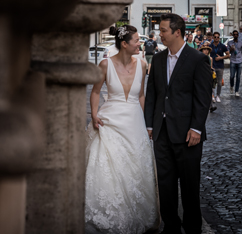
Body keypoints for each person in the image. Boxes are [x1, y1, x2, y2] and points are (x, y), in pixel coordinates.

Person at [85, 25, 160, 233]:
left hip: (135, 122)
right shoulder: (105, 64)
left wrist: (146, 123)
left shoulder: (143, 64)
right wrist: (93, 114)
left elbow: (142, 95)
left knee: (136, 165)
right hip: (111, 120)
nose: (140, 43)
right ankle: (113, 212)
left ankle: (136, 211)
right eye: (136, 40)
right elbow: (96, 91)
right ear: (124, 44)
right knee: (110, 166)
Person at [145, 13, 212, 234]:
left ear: (177, 32)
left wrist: (196, 128)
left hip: (187, 134)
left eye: (163, 30)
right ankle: (171, 226)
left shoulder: (197, 59)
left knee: (190, 183)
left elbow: (203, 98)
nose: (159, 34)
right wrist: (150, 125)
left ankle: (193, 227)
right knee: (165, 182)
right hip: (162, 132)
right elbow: (153, 93)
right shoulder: (158, 58)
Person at [210, 32, 230, 102]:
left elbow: (228, 55)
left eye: (217, 37)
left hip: (220, 66)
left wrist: (220, 58)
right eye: (215, 37)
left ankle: (218, 95)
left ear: (219, 38)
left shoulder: (222, 46)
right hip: (212, 66)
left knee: (219, 82)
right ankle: (212, 95)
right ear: (213, 37)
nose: (216, 38)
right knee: (212, 82)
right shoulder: (210, 45)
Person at [199, 45, 217, 112]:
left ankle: (211, 106)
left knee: (209, 91)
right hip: (201, 76)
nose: (206, 51)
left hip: (208, 76)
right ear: (202, 50)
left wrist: (212, 69)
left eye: (207, 49)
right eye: (204, 49)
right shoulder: (199, 58)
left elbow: (210, 66)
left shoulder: (210, 58)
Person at [227, 30, 242, 96]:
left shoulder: (241, 42)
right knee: (232, 76)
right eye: (234, 34)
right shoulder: (230, 42)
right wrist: (231, 49)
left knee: (238, 77)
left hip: (239, 61)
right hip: (233, 60)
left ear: (238, 35)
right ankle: (231, 85)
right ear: (233, 35)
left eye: (236, 34)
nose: (235, 35)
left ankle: (236, 91)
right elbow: (227, 52)